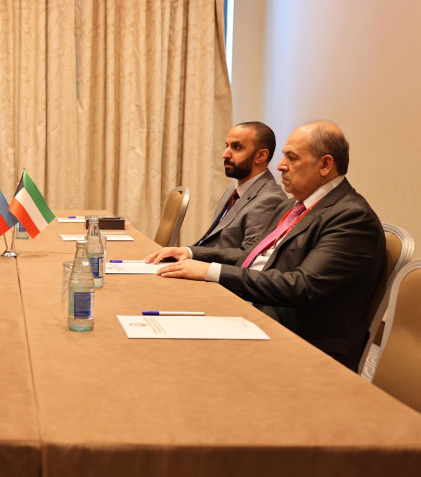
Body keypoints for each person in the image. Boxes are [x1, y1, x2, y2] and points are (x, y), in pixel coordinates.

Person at [146, 122, 385, 372]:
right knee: (161, 314)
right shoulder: (292, 206)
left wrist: (211, 272)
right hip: (255, 312)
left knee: (173, 356)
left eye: (292, 158)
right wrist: (192, 253)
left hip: (299, 342)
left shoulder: (352, 217)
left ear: (325, 164)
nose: (280, 165)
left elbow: (301, 286)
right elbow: (250, 257)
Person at [194, 121, 287, 247]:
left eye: (236, 147)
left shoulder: (270, 199)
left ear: (261, 155)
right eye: (227, 146)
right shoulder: (232, 192)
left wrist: (190, 253)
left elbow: (249, 254)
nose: (225, 154)